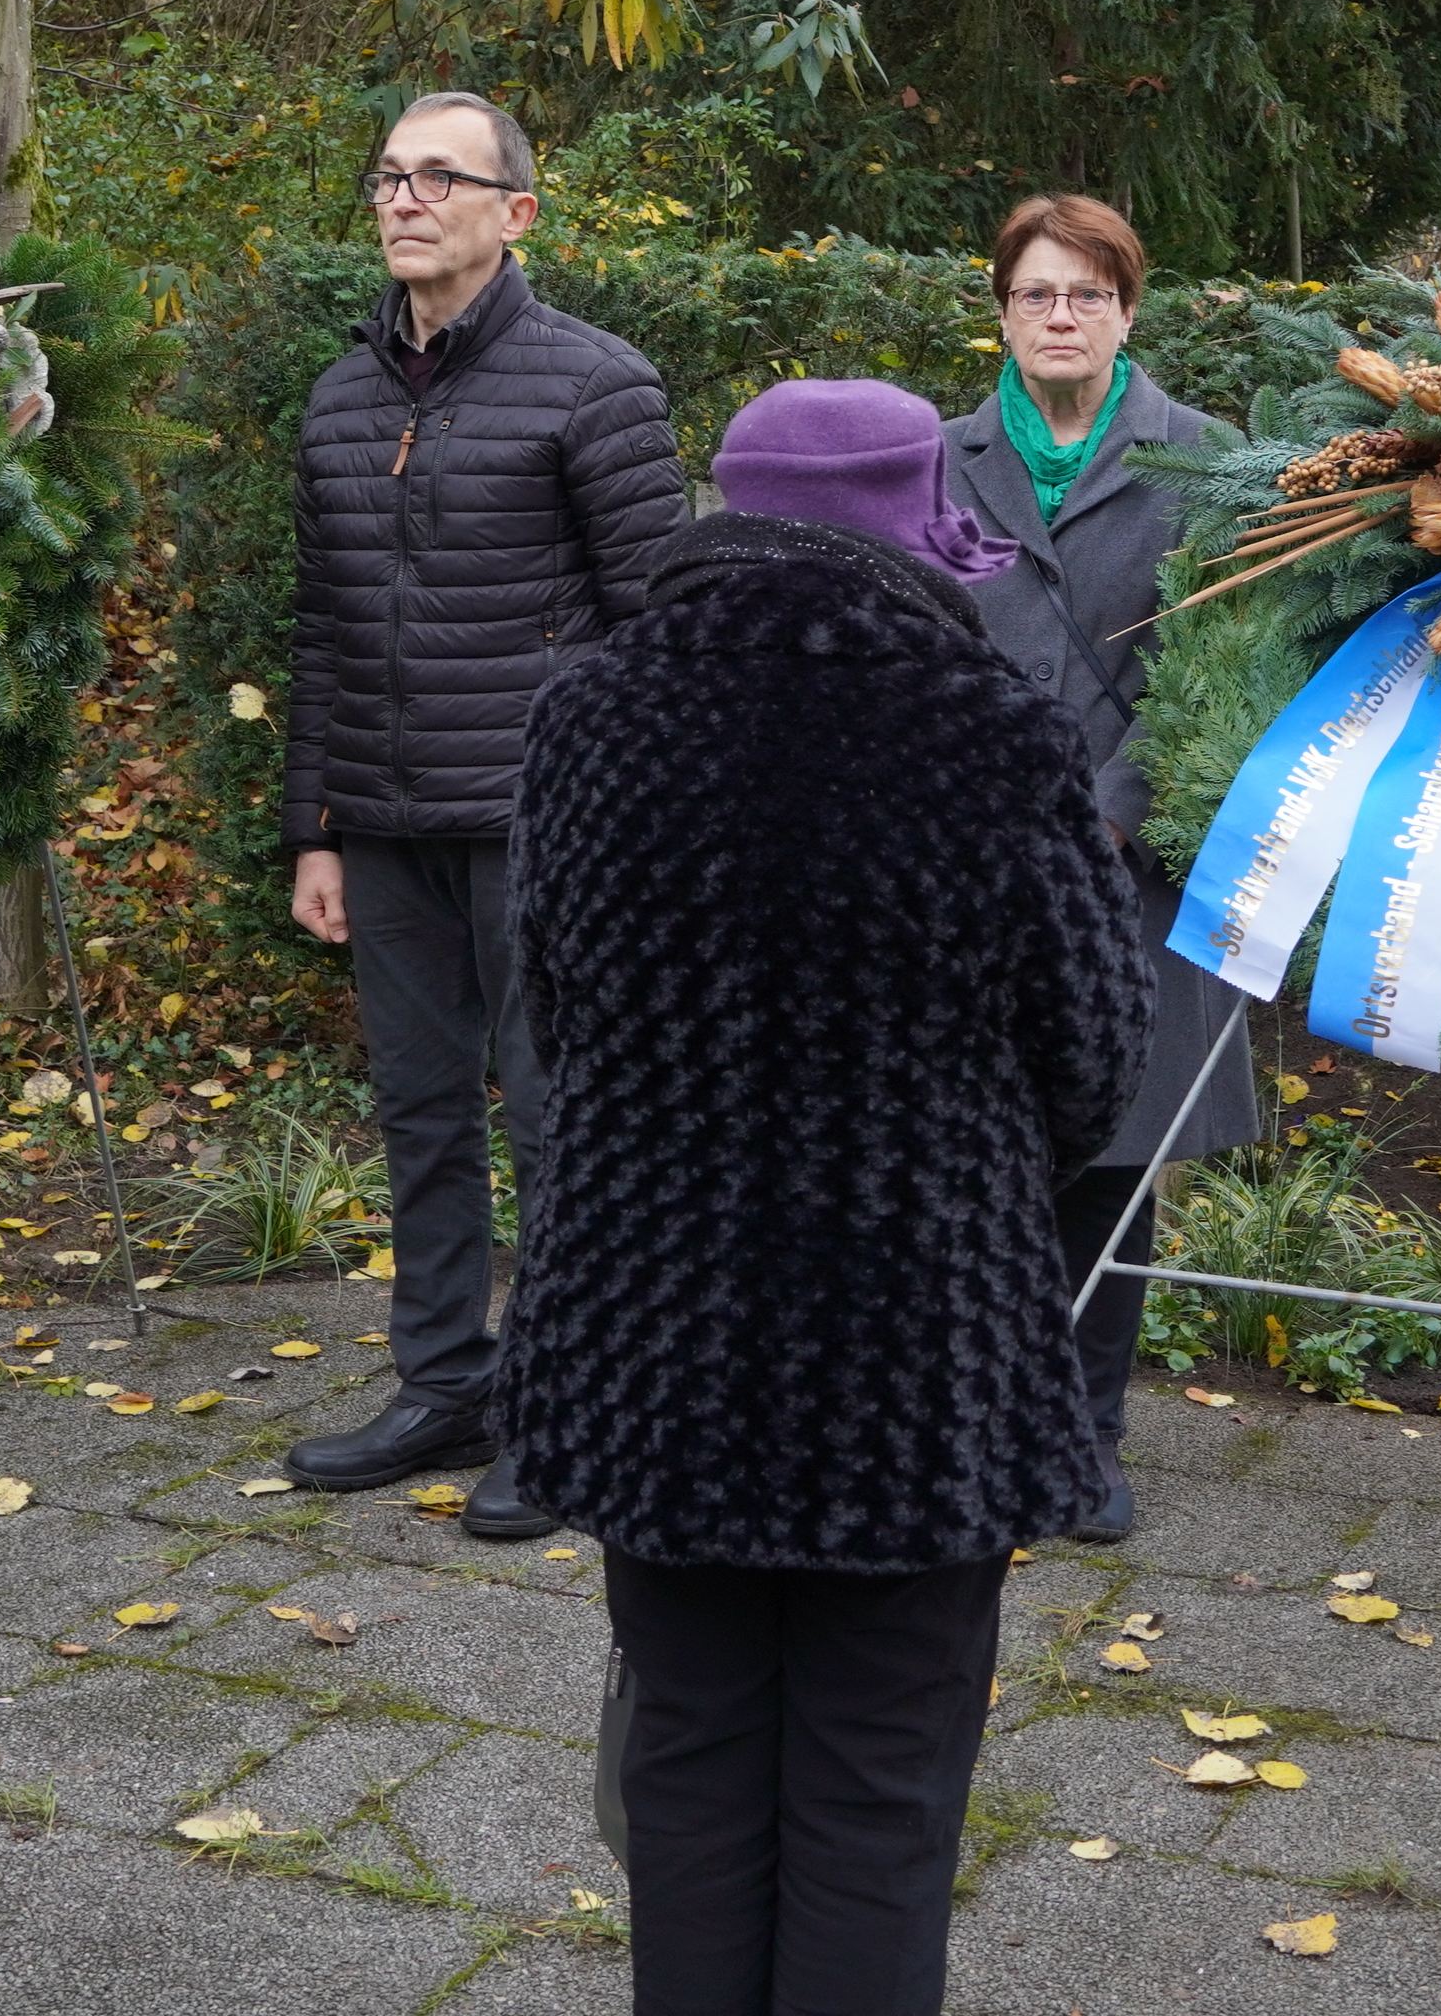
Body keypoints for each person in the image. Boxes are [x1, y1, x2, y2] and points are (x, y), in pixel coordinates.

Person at [499, 380, 1143, 2016]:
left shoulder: (587, 712)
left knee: (692, 1771)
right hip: (907, 1371)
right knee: (876, 1801)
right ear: (915, 503)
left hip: (662, 1352)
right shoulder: (988, 725)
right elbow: (1095, 1052)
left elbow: (554, 1020)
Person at [280, 91, 682, 1541]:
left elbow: (658, 630)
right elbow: (323, 629)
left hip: (544, 832)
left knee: (563, 1125)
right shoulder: (339, 396)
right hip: (385, 831)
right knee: (422, 1120)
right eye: (387, 175)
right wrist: (314, 829)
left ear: (517, 211)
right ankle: (445, 1383)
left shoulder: (597, 384)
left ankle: (568, 1415)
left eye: (437, 177)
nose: (403, 199)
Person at [938, 192, 1255, 1544]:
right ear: (1002, 313)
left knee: (1109, 1153)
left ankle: (1087, 1431)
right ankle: (978, 1421)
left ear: (1129, 310)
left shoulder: (1206, 461)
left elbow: (1225, 667)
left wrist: (1107, 817)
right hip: (968, 860)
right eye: (1034, 295)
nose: (1059, 317)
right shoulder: (937, 458)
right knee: (979, 1154)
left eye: (1086, 294)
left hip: (1129, 863)